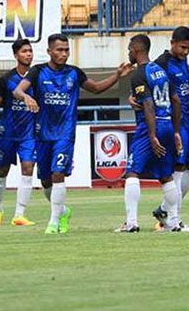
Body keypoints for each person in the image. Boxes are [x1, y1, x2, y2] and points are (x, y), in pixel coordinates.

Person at [14, 33, 132, 234]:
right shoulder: (37, 71)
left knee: (58, 174)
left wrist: (117, 76)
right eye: (59, 50)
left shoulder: (74, 73)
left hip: (65, 134)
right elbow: (17, 90)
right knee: (45, 181)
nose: (64, 54)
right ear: (50, 51)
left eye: (66, 50)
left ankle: (53, 223)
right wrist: (26, 97)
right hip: (42, 134)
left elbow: (95, 89)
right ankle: (63, 211)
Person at [117, 35, 183, 233]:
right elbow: (176, 100)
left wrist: (152, 135)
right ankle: (172, 222)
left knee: (132, 172)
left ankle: (132, 222)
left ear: (136, 49)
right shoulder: (160, 71)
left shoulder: (139, 74)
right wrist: (177, 131)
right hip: (167, 125)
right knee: (166, 176)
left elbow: (147, 104)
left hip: (149, 127)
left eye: (129, 49)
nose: (128, 52)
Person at [148, 26, 189, 232]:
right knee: (178, 170)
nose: (185, 51)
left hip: (188, 121)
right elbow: (147, 84)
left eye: (188, 48)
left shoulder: (183, 61)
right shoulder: (161, 63)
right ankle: (174, 220)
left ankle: (164, 209)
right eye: (182, 47)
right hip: (172, 123)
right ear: (172, 43)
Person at [0, 40, 36, 226]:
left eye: (30, 51)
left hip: (29, 134)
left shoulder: (37, 77)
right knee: (2, 170)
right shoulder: (5, 79)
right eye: (24, 51)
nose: (28, 54)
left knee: (28, 168)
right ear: (16, 55)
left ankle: (19, 215)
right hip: (7, 133)